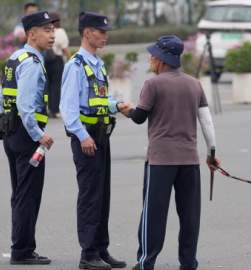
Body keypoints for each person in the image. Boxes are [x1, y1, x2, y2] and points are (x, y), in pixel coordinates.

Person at [119, 35, 220, 270]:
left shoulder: (152, 85)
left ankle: (146, 263)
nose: (151, 59)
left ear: (162, 59)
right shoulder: (194, 84)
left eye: (153, 55)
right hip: (189, 161)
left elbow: (139, 118)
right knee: (189, 216)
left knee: (153, 215)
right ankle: (188, 263)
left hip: (160, 161)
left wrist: (126, 110)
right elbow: (207, 122)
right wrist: (211, 153)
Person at [59, 11, 129, 270]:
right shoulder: (75, 65)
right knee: (90, 196)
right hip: (86, 139)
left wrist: (117, 105)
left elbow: (96, 100)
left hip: (101, 137)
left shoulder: (96, 64)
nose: (105, 35)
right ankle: (88, 254)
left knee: (102, 195)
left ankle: (101, 248)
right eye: (101, 31)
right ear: (87, 32)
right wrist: (82, 135)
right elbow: (68, 109)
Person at [0, 11, 57, 265]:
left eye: (53, 29)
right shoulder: (32, 63)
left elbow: (4, 97)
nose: (52, 34)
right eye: (47, 30)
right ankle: (22, 250)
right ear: (31, 34)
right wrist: (39, 135)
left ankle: (21, 246)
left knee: (20, 192)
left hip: (11, 133)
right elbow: (25, 105)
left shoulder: (15, 58)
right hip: (26, 136)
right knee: (28, 194)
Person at [44, 12, 70, 118]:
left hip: (46, 60)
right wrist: (70, 59)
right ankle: (55, 110)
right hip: (57, 60)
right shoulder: (60, 32)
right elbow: (64, 48)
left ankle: (49, 109)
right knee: (56, 85)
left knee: (49, 86)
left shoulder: (46, 31)